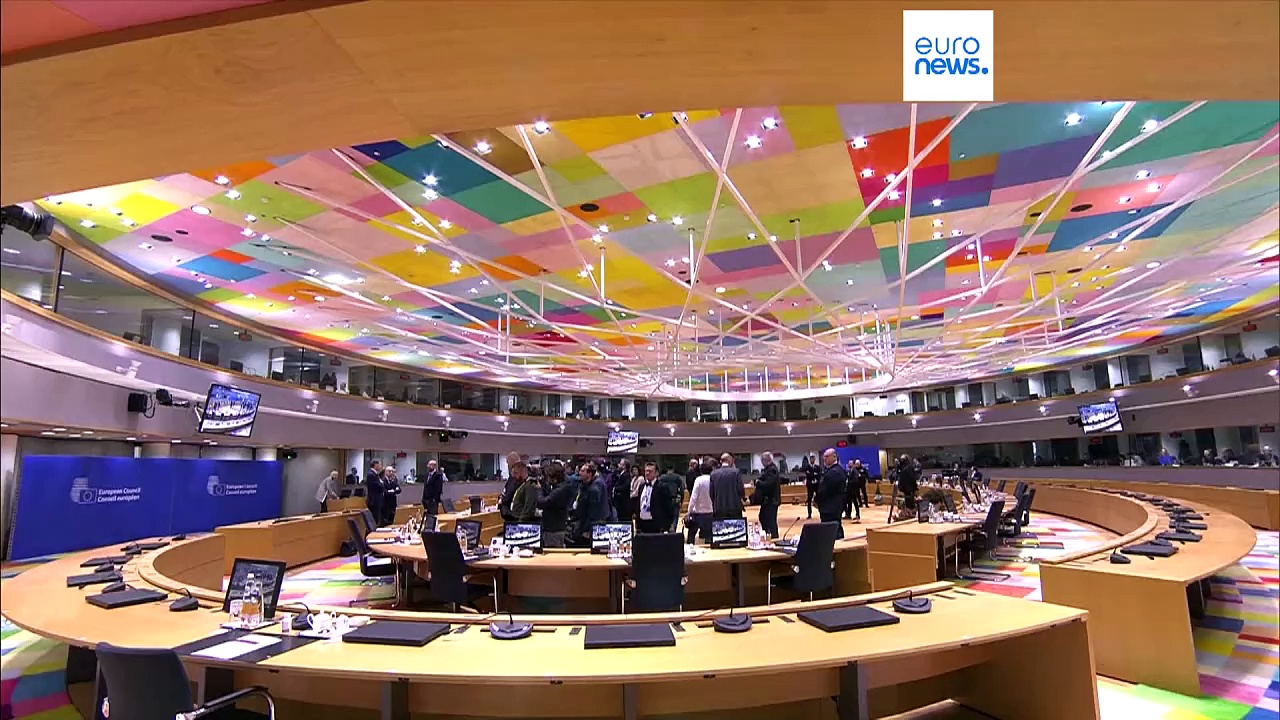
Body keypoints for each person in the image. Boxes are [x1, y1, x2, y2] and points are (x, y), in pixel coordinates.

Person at [569, 463, 609, 548]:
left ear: (589, 473)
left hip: (587, 529)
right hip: (581, 524)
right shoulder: (584, 486)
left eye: (582, 471)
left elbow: (593, 513)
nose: (580, 473)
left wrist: (587, 530)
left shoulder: (594, 489)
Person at [537, 463, 574, 547]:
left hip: (554, 529)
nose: (546, 479)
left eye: (548, 477)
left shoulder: (560, 490)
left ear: (554, 478)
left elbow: (541, 503)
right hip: (556, 527)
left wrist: (539, 489)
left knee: (552, 552)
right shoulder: (562, 486)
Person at [816, 449, 848, 538]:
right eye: (824, 457)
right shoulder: (830, 470)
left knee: (832, 532)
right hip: (829, 507)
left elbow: (825, 489)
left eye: (827, 456)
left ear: (834, 457)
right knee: (830, 530)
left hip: (831, 507)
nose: (824, 459)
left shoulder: (835, 472)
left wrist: (817, 500)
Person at [634, 462, 673, 534]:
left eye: (650, 471)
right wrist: (637, 522)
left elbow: (668, 507)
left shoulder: (662, 487)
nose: (647, 473)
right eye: (646, 471)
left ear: (656, 473)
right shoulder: (642, 486)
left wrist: (667, 525)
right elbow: (638, 504)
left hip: (656, 524)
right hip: (643, 524)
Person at [685, 460, 714, 544]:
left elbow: (694, 497)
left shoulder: (699, 480)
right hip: (711, 511)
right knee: (709, 537)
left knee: (691, 535)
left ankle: (690, 548)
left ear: (700, 471)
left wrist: (689, 511)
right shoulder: (713, 479)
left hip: (698, 512)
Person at [709, 453, 745, 519]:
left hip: (719, 508)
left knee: (720, 525)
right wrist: (743, 498)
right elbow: (741, 490)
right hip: (735, 507)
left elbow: (711, 493)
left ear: (721, 461)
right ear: (730, 460)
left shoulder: (713, 474)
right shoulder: (736, 472)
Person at [754, 452, 782, 538]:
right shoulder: (769, 469)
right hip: (768, 500)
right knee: (764, 517)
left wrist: (758, 482)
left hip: (771, 500)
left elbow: (769, 484)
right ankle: (768, 534)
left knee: (769, 520)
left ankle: (773, 537)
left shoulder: (772, 470)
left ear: (765, 460)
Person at [656, 464, 686, 533]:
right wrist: (681, 500)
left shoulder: (662, 478)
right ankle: (673, 529)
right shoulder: (677, 477)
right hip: (674, 499)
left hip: (664, 500)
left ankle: (664, 530)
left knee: (664, 515)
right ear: (673, 469)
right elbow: (682, 489)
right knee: (675, 516)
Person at [499, 451, 523, 521]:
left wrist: (502, 500)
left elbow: (508, 494)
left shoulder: (515, 478)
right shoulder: (516, 476)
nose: (508, 466)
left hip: (514, 515)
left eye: (508, 463)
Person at [365, 460, 385, 525]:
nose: (380, 466)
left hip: (376, 500)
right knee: (374, 520)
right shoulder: (371, 474)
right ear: (375, 465)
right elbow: (379, 486)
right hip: (374, 501)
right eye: (380, 464)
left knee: (376, 519)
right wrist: (382, 484)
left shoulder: (375, 474)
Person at [804, 454, 821, 519]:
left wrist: (814, 475)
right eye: (811, 459)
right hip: (810, 485)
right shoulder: (807, 467)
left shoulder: (817, 467)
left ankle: (821, 512)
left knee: (819, 499)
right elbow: (808, 475)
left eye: (813, 459)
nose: (812, 460)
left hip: (816, 485)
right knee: (809, 499)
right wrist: (814, 474)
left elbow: (819, 475)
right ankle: (809, 514)